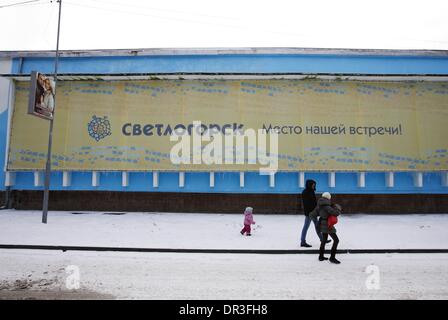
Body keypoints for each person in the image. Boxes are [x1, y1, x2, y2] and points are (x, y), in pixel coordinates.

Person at [300, 179, 330, 247]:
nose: (314, 186)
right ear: (309, 185)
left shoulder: (311, 191)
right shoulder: (306, 192)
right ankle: (302, 242)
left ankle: (322, 239)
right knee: (306, 227)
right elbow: (307, 204)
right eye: (313, 185)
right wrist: (313, 211)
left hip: (313, 212)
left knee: (317, 226)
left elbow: (313, 203)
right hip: (310, 213)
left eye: (314, 185)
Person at [317, 192, 342, 264]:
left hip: (322, 223)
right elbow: (335, 213)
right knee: (336, 240)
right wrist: (338, 209)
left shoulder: (320, 205)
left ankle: (321, 256)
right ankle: (332, 258)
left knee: (324, 240)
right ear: (328, 198)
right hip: (328, 225)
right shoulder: (327, 206)